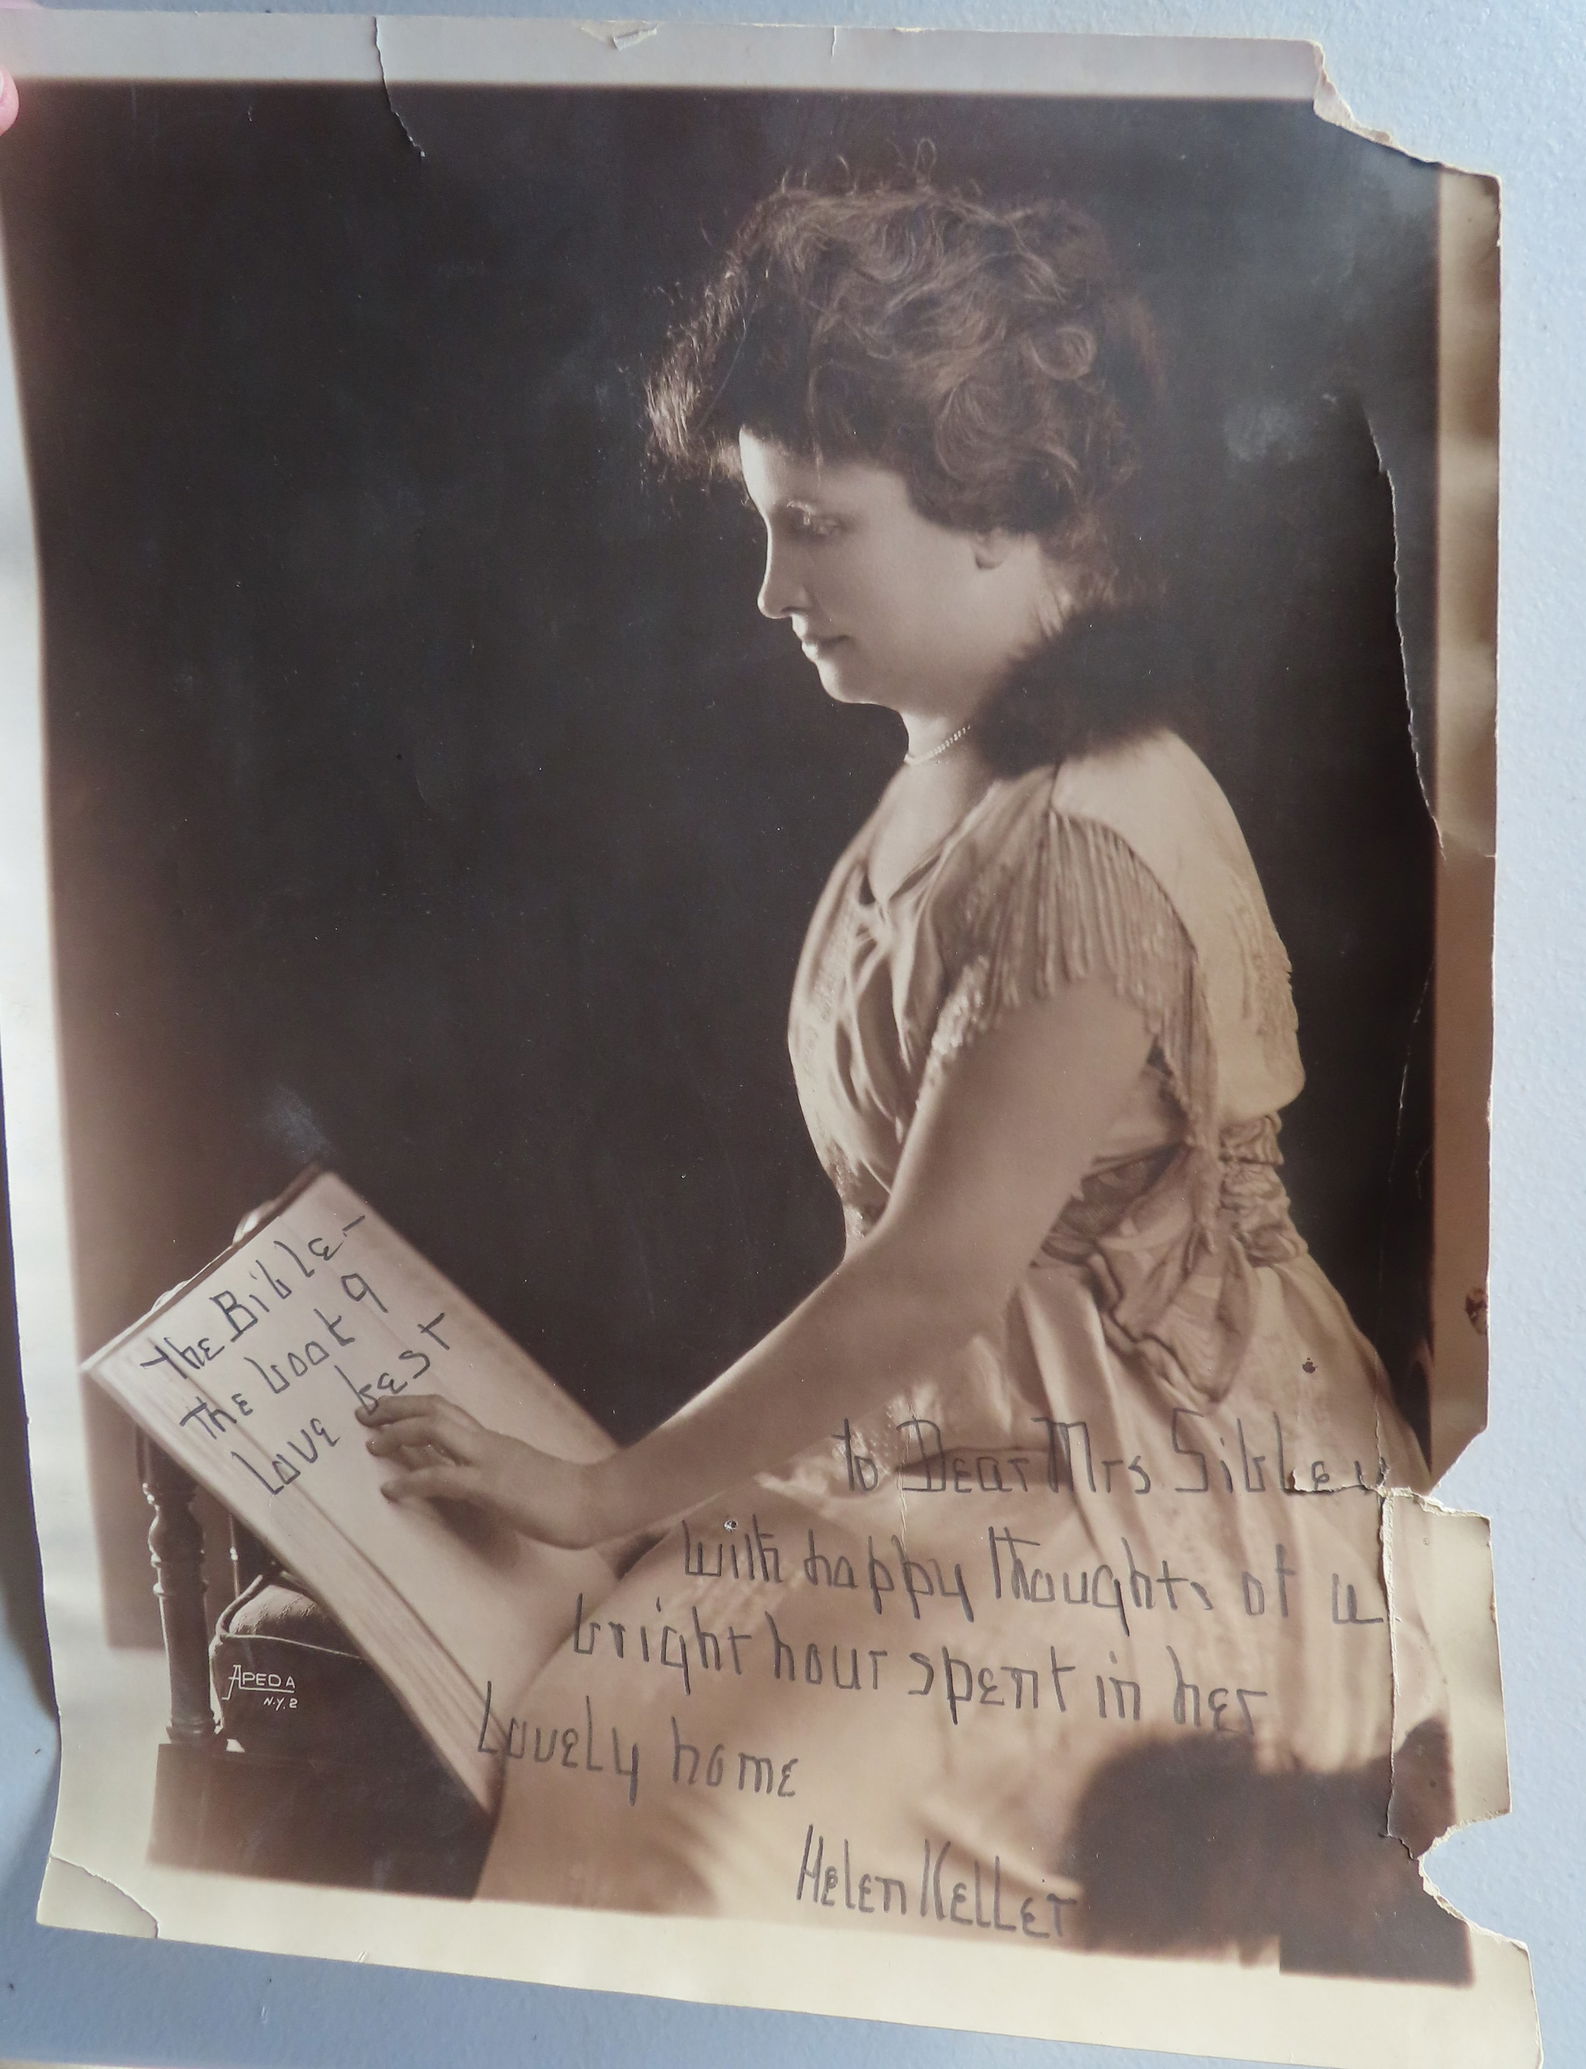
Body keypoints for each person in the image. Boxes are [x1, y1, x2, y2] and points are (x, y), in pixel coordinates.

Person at [357, 178, 1450, 1965]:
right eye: (765, 525)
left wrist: (604, 1489)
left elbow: (934, 1272)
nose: (771, 589)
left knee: (722, 1795)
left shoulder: (1095, 837)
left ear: (994, 518)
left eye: (814, 528)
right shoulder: (956, 760)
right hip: (978, 1456)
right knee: (610, 1714)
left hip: (1181, 1516)